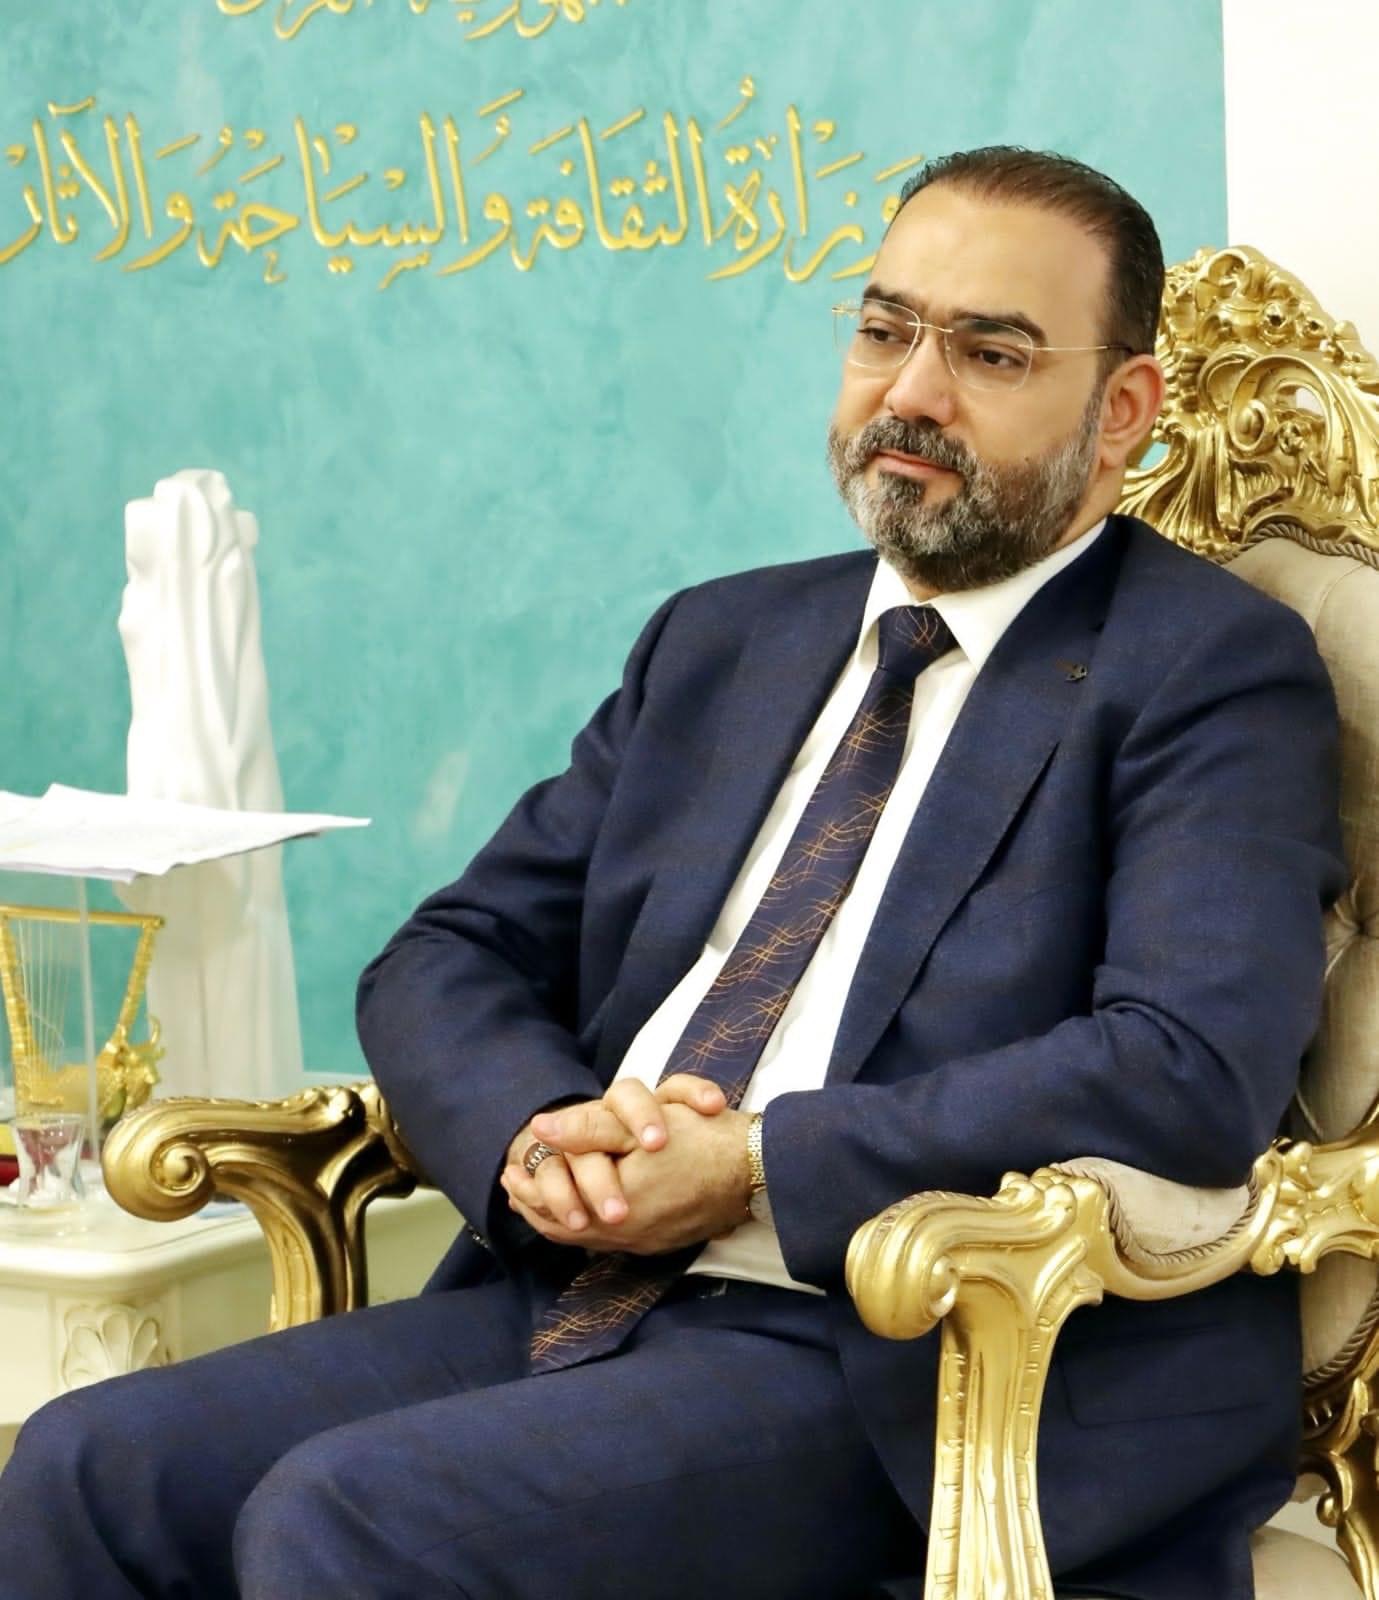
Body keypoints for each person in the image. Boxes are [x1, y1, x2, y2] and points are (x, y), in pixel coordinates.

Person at [0, 146, 1345, 1599]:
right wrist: (540, 1134)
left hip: (913, 1358)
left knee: (345, 1518)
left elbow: (1184, 1064)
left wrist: (757, 1163)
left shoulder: (1207, 667)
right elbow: (451, 951)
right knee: (86, 1462)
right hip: (584, 1286)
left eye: (991, 352)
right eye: (884, 330)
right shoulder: (724, 640)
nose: (911, 392)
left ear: (1123, 410)